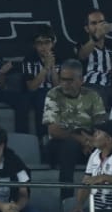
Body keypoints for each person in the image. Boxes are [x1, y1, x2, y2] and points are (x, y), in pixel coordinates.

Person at [43, 59, 105, 188]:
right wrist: (82, 140)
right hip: (59, 144)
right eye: (62, 79)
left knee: (108, 146)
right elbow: (54, 131)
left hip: (88, 142)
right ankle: (66, 196)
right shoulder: (53, 94)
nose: (65, 84)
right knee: (70, 146)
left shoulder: (93, 95)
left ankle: (101, 195)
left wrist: (91, 141)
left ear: (81, 80)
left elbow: (101, 126)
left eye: (70, 80)